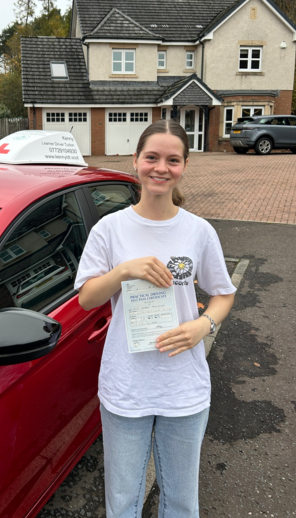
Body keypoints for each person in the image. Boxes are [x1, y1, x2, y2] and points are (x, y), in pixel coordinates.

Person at [75, 120, 236, 518]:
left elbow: (223, 293)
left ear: (184, 166)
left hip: (183, 386)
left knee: (181, 501)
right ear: (136, 161)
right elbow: (87, 298)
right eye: (152, 157)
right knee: (122, 502)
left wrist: (204, 325)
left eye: (172, 160)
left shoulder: (198, 231)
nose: (161, 168)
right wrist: (123, 271)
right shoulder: (109, 229)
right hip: (126, 385)